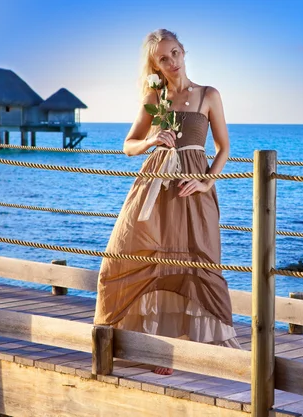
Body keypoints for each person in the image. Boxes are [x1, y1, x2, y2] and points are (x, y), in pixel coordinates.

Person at [94, 29, 239, 375]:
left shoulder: (208, 95)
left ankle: (185, 347)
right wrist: (151, 140)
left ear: (184, 52)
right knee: (129, 257)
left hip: (192, 190)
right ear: (155, 65)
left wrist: (206, 182)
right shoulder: (154, 96)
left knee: (194, 261)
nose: (172, 62)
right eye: (163, 58)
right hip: (154, 187)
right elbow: (128, 144)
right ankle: (149, 345)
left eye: (175, 53)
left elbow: (224, 148)